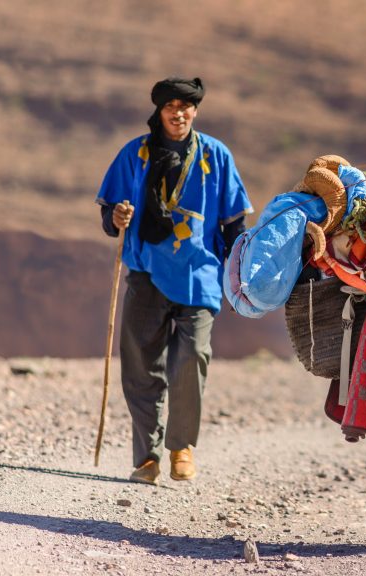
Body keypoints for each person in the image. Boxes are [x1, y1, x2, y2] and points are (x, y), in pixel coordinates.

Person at [96, 77, 253, 485]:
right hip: (146, 271)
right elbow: (109, 213)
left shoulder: (216, 155)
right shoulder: (136, 154)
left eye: (185, 106)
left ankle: (181, 447)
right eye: (171, 106)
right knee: (141, 366)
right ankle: (147, 458)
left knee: (192, 358)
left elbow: (234, 223)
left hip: (199, 275)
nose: (178, 113)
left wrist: (238, 272)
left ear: (195, 111)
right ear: (160, 110)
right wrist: (116, 217)